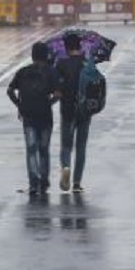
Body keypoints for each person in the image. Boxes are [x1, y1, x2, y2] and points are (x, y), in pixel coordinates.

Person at [7, 42, 59, 195]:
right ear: (45, 55)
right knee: (44, 150)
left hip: (28, 117)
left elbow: (10, 90)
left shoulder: (23, 72)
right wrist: (48, 103)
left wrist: (19, 105)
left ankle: (33, 182)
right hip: (45, 117)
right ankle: (44, 182)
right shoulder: (51, 72)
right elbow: (57, 94)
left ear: (32, 55)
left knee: (31, 150)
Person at [54, 32, 90, 193]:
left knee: (66, 145)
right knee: (81, 146)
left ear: (67, 48)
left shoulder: (61, 64)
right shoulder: (88, 63)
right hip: (85, 110)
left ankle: (66, 167)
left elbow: (56, 87)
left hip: (67, 109)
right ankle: (77, 182)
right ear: (80, 46)